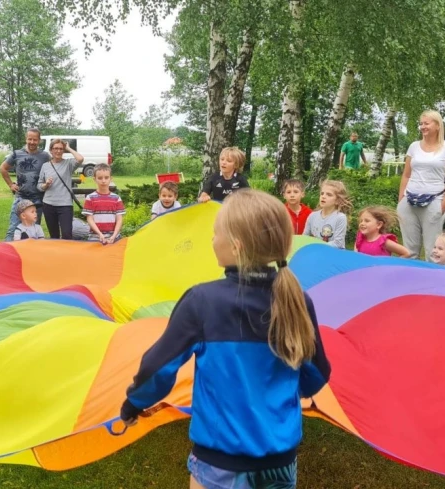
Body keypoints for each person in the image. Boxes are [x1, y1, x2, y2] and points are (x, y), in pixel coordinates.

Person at [120, 189, 330, 489]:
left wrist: (133, 404)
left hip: (220, 465)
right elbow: (316, 375)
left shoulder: (202, 301)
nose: (212, 240)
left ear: (236, 245)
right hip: (281, 463)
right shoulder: (298, 300)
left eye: (215, 233)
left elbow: (158, 367)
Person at [397, 110, 445, 261]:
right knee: (409, 251)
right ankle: (412, 281)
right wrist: (401, 200)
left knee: (433, 250)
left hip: (434, 202)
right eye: (421, 123)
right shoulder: (413, 146)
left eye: (426, 123)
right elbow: (406, 175)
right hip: (409, 201)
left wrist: (444, 203)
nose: (423, 126)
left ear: (438, 126)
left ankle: (433, 282)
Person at [0, 128, 50, 241]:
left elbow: (53, 168)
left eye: (35, 140)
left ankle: (31, 256)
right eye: (30, 139)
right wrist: (10, 185)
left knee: (33, 230)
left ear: (39, 140)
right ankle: (6, 253)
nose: (32, 142)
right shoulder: (17, 154)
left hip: (37, 199)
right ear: (26, 139)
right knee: (13, 228)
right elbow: (3, 168)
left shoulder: (45, 156)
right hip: (20, 197)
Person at [37, 139, 84, 239]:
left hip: (65, 205)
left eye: (61, 149)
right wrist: (45, 185)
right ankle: (56, 254)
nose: (58, 151)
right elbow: (39, 185)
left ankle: (67, 254)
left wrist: (68, 148)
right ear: (51, 150)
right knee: (54, 235)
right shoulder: (45, 166)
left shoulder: (68, 164)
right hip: (48, 204)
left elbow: (80, 159)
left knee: (67, 234)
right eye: (55, 148)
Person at [82, 164, 125, 244]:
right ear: (94, 179)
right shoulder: (90, 198)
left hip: (114, 238)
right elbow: (89, 219)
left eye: (106, 177)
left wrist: (114, 236)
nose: (103, 181)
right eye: (100, 178)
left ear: (111, 179)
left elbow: (119, 219)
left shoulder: (116, 198)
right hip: (95, 238)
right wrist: (100, 234)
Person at [303, 180, 350, 249]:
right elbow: (304, 237)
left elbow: (338, 243)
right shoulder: (312, 216)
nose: (323, 196)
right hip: (316, 253)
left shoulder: (340, 217)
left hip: (334, 255)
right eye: (322, 193)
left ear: (337, 201)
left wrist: (317, 246)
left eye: (329, 194)